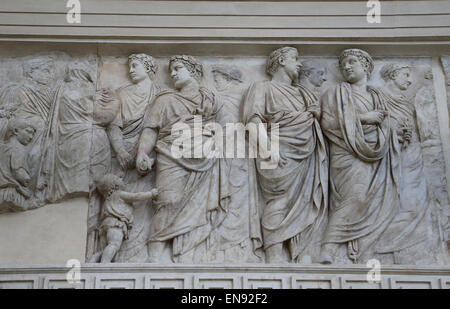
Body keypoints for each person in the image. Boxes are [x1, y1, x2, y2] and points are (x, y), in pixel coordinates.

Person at [136, 55, 230, 263]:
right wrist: (142, 152)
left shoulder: (211, 100)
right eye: (171, 70)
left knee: (201, 205)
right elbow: (151, 130)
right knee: (167, 201)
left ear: (194, 71)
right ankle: (154, 257)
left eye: (178, 68)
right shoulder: (165, 100)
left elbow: (226, 129)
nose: (173, 73)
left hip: (205, 157)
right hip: (170, 154)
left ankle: (188, 257)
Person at [242, 47, 328, 263]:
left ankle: (302, 255)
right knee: (279, 199)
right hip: (277, 148)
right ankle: (274, 255)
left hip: (307, 151)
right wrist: (267, 148)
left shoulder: (303, 93)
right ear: (281, 60)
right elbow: (253, 120)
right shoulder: (262, 87)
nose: (299, 64)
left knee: (306, 199)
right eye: (295, 59)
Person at [319, 49, 401, 264]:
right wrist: (364, 118)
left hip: (376, 156)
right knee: (356, 198)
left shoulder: (377, 96)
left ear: (365, 66)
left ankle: (364, 247)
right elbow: (327, 124)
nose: (346, 67)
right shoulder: (335, 93)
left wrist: (396, 134)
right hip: (345, 153)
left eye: (352, 62)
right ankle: (328, 246)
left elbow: (385, 125)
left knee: (371, 200)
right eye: (343, 64)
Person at [376, 63, 434, 263]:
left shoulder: (407, 101)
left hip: (413, 155)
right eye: (405, 75)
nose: (410, 80)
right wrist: (393, 132)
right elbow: (366, 125)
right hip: (387, 156)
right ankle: (382, 246)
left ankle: (410, 250)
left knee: (416, 204)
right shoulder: (377, 96)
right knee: (394, 204)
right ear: (393, 75)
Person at [96, 173, 158, 263]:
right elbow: (136, 196)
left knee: (104, 250)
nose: (122, 179)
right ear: (115, 185)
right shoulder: (119, 194)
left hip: (106, 224)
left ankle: (93, 261)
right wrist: (151, 194)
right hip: (115, 224)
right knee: (114, 244)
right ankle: (104, 264)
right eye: (119, 178)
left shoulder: (108, 199)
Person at [0, 117, 36, 211]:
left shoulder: (3, 147)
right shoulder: (18, 149)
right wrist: (28, 179)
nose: (31, 137)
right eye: (28, 132)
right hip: (12, 195)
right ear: (16, 131)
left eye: (32, 134)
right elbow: (19, 172)